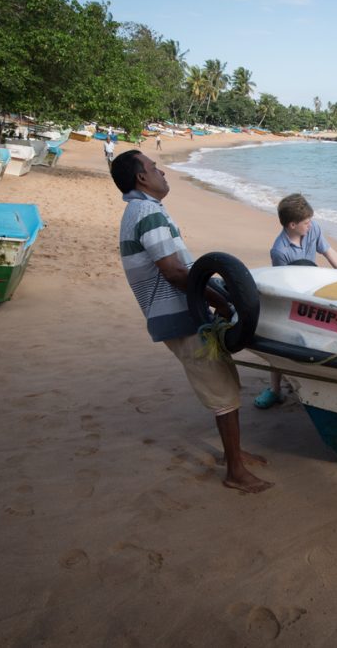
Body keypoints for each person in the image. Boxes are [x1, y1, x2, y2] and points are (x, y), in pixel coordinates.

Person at [111, 149, 272, 493]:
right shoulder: (147, 212)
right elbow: (174, 272)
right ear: (141, 177)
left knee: (225, 379)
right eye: (155, 167)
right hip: (180, 316)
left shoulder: (142, 209)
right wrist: (222, 303)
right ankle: (235, 472)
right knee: (222, 390)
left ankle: (235, 453)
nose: (162, 172)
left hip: (183, 314)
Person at [254, 194, 337, 409]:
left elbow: (329, 252)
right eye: (306, 222)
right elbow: (283, 284)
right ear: (292, 225)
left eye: (310, 220)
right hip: (292, 292)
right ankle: (275, 390)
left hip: (313, 286)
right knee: (278, 339)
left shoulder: (312, 229)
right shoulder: (280, 251)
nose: (310, 224)